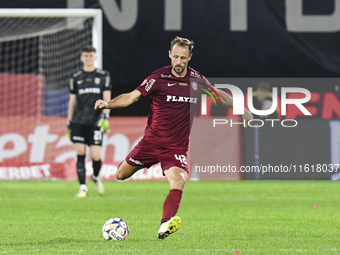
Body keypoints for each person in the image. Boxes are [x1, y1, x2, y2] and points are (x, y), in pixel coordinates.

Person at [94, 37, 253, 239]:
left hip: (175, 148)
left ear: (190, 58)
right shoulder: (158, 78)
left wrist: (244, 110)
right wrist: (107, 104)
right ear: (170, 54)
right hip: (151, 142)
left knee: (179, 180)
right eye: (176, 57)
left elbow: (219, 95)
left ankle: (165, 224)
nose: (179, 62)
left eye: (183, 58)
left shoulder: (197, 80)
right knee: (120, 175)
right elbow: (132, 97)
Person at [67, 45, 112, 198]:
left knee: (96, 155)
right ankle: (82, 187)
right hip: (78, 121)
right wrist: (69, 121)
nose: (88, 58)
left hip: (96, 121)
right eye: (85, 55)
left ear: (95, 57)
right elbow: (72, 101)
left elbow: (107, 99)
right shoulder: (76, 77)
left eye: (90, 55)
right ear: (82, 58)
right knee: (80, 152)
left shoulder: (103, 75)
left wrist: (106, 117)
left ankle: (96, 177)